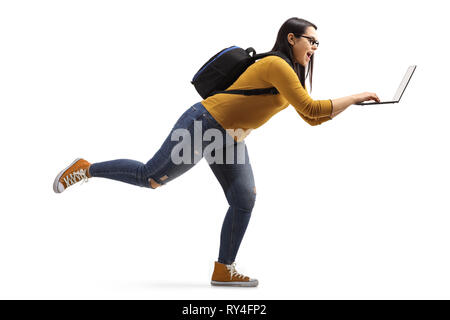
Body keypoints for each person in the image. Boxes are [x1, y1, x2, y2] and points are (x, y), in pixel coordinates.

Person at [53, 17, 380, 287]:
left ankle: (224, 269)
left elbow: (311, 118)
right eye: (311, 41)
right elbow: (312, 109)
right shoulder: (278, 65)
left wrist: (351, 103)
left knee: (243, 199)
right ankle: (87, 168)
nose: (314, 48)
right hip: (205, 124)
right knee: (149, 177)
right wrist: (356, 97)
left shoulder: (292, 72)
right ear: (291, 38)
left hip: (231, 136)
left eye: (317, 44)